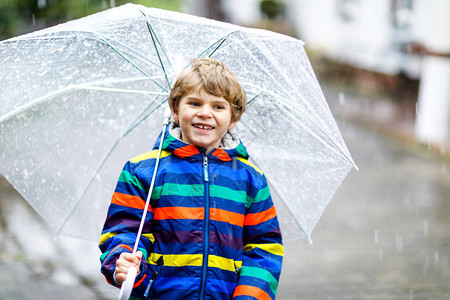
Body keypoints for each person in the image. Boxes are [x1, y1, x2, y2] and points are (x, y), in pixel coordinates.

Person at [99, 57, 283, 299]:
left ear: (233, 118)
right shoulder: (143, 171)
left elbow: (264, 248)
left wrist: (249, 295)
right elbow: (123, 230)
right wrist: (125, 262)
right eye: (194, 103)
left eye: (218, 107)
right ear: (175, 111)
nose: (205, 113)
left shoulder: (250, 179)